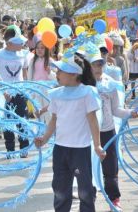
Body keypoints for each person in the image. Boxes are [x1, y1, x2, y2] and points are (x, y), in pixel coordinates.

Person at [34, 50, 105, 212]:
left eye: (60, 71)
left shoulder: (87, 92)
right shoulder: (57, 94)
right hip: (60, 149)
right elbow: (54, 119)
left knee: (85, 190)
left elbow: (93, 121)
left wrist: (97, 145)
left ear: (74, 74)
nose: (56, 73)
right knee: (60, 188)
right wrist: (44, 139)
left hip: (80, 149)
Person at [87, 43, 138, 211]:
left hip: (108, 132)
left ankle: (114, 199)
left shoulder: (110, 84)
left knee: (110, 169)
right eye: (94, 64)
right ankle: (89, 200)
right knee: (88, 169)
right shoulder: (82, 86)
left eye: (100, 63)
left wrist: (130, 112)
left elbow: (116, 110)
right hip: (88, 134)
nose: (98, 67)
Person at [0, 28, 30, 156]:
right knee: (7, 122)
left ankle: (24, 148)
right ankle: (10, 150)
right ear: (9, 43)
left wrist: (27, 90)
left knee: (22, 121)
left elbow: (25, 73)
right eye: (18, 42)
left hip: (20, 92)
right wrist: (2, 91)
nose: (21, 44)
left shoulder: (24, 54)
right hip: (4, 93)